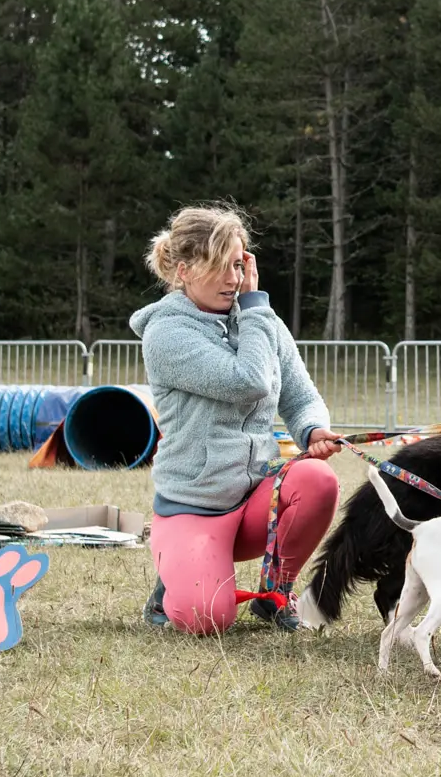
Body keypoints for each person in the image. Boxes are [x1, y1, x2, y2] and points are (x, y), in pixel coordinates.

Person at [130, 205, 343, 635]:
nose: (234, 279)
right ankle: (172, 581)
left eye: (238, 264)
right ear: (184, 271)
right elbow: (248, 382)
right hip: (194, 508)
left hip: (253, 504)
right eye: (220, 267)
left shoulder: (262, 321)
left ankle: (275, 593)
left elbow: (300, 397)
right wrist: (257, 307)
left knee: (318, 480)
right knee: (207, 619)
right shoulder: (167, 334)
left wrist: (313, 429)